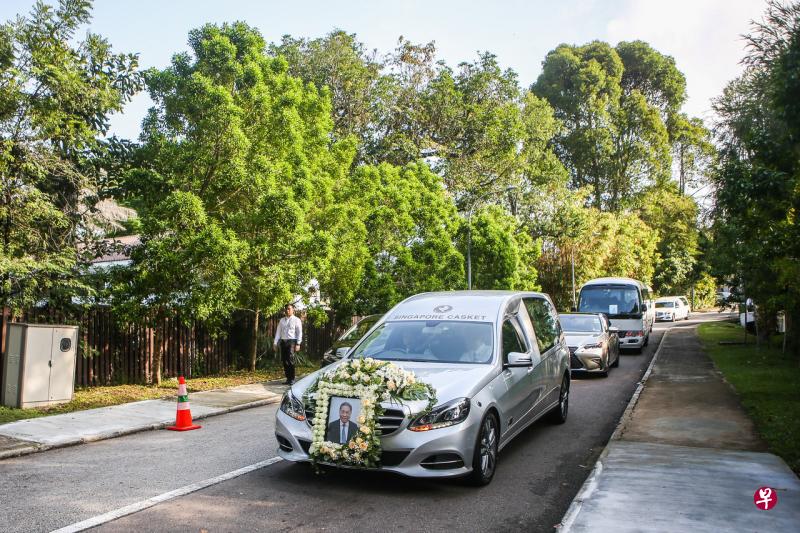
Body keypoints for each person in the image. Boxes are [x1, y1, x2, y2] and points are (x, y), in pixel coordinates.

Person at [273, 304, 303, 385]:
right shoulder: (282, 320)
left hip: (292, 341)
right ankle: (288, 379)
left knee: (290, 360)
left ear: (293, 310)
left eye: (289, 309)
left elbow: (299, 332)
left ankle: (292, 379)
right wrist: (275, 343)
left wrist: (298, 343)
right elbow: (278, 332)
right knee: (284, 360)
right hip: (283, 342)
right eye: (286, 309)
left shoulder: (296, 320)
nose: (287, 310)